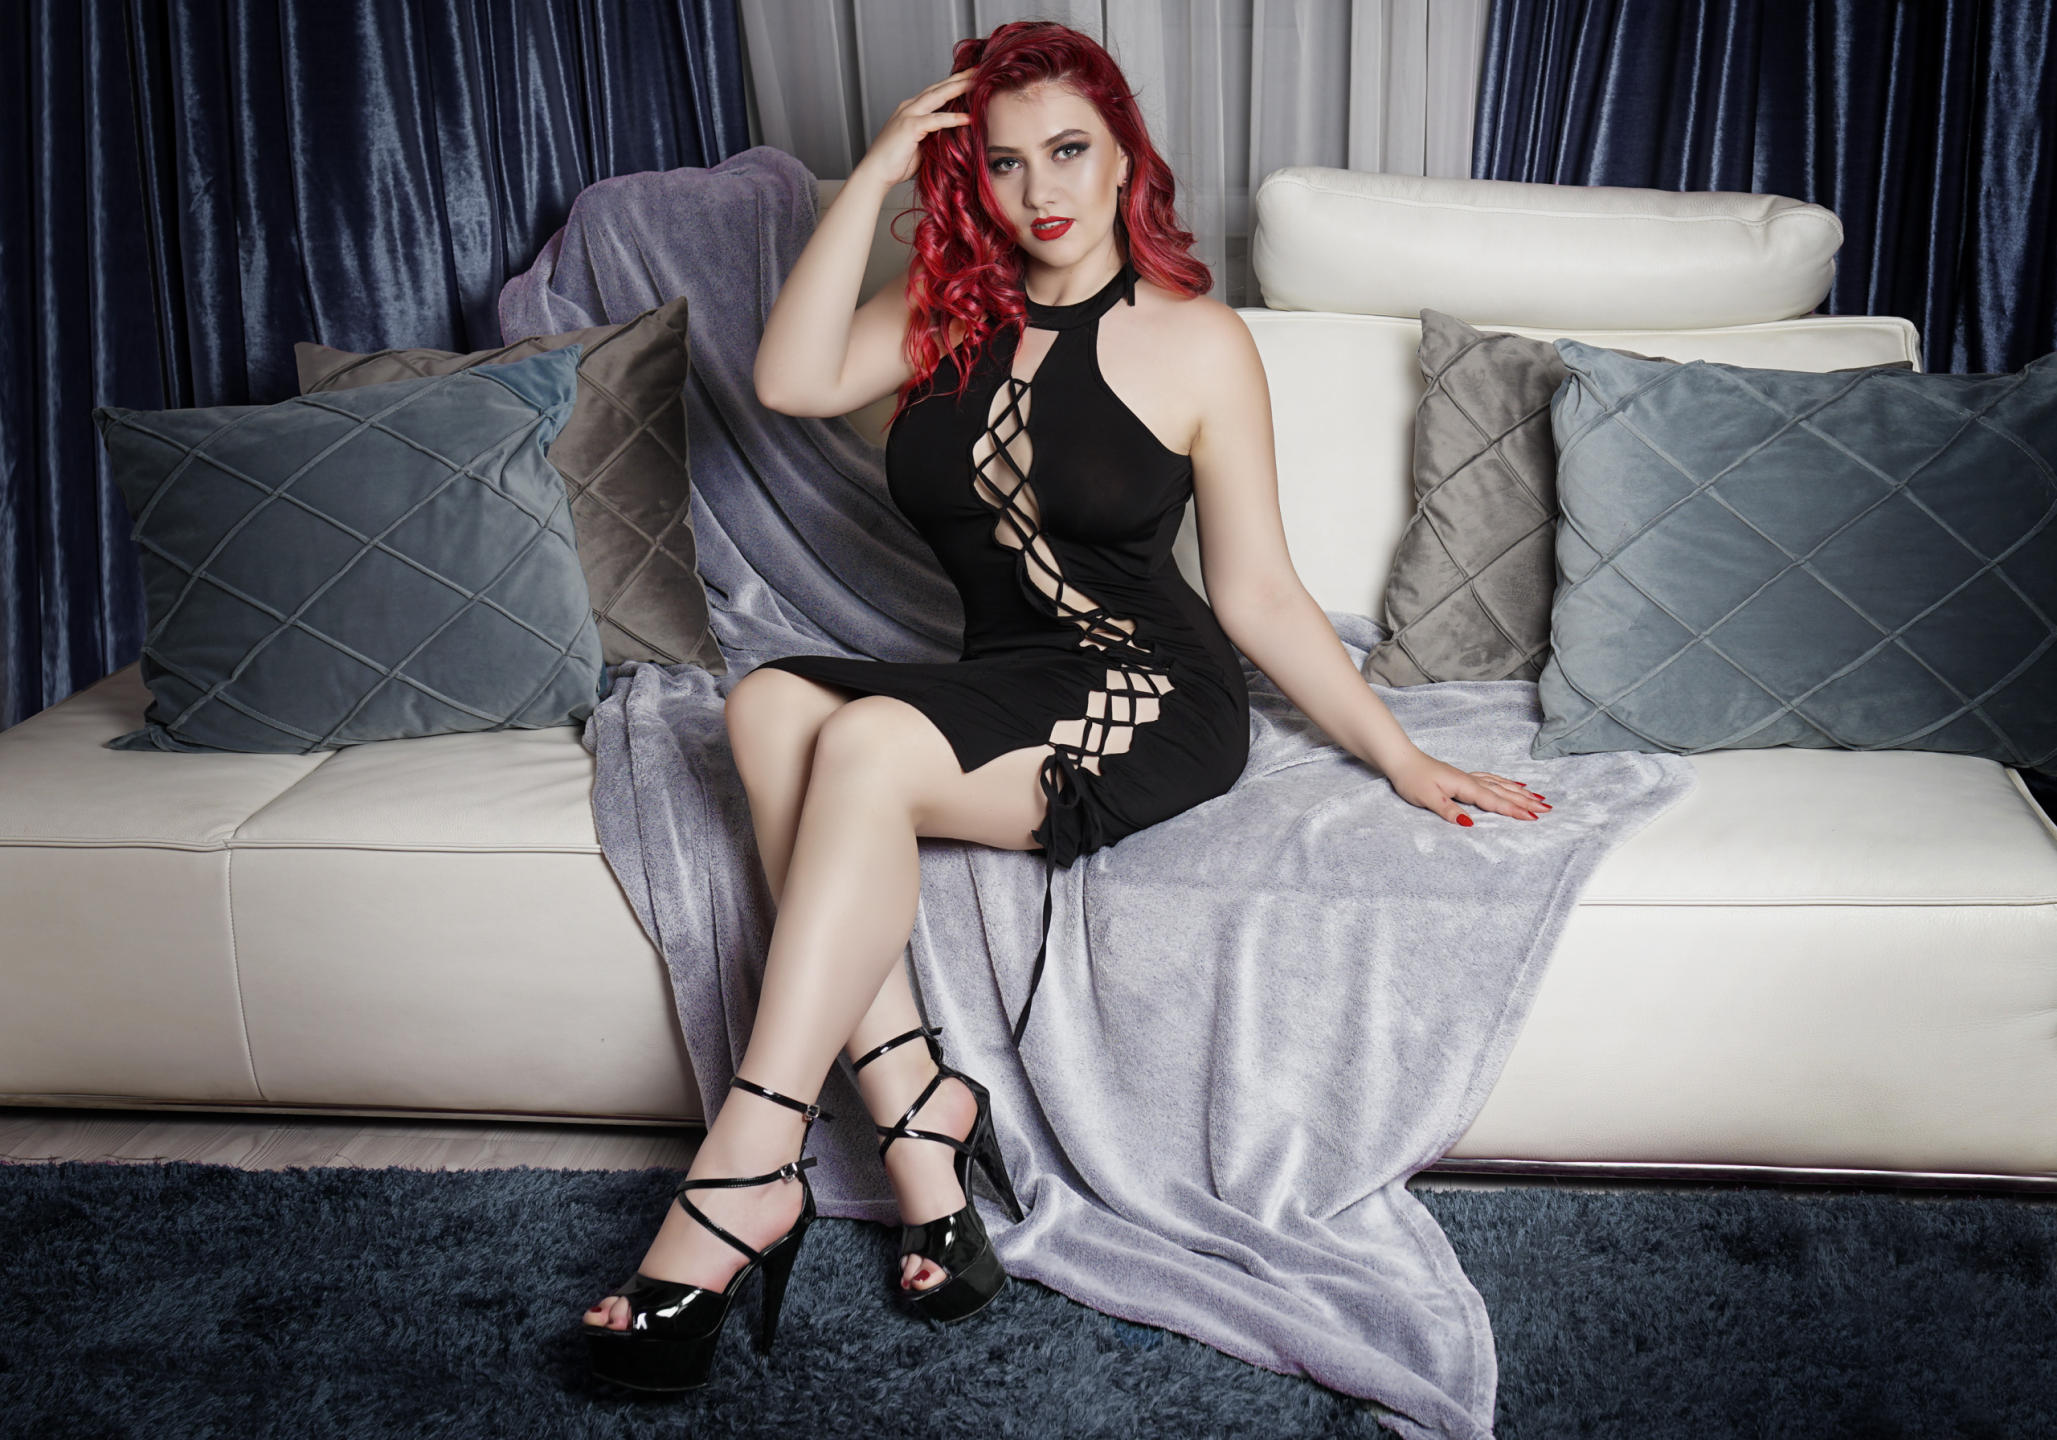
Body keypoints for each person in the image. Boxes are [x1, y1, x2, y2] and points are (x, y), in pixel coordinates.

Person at [579, 19, 1551, 1391]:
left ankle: (749, 1160)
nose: (1042, 189)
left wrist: (1399, 756)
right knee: (767, 709)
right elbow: (789, 379)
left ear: (1124, 160)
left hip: (1153, 691)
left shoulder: (1197, 341)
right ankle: (922, 1124)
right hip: (1005, 673)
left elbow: (1260, 593)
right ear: (967, 176)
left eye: (1070, 151)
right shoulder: (941, 314)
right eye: (1003, 161)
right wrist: (876, 169)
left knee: (861, 741)